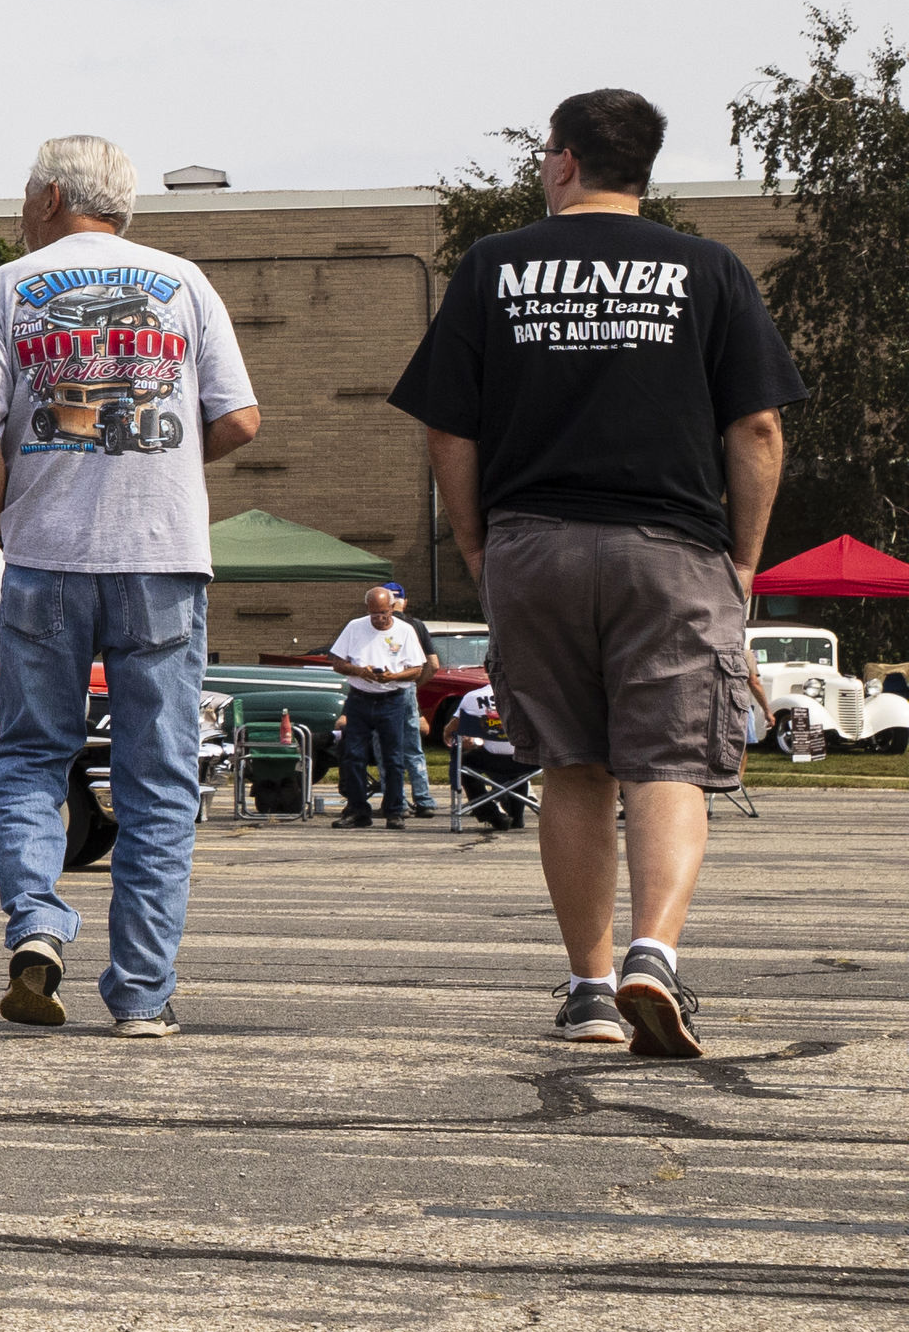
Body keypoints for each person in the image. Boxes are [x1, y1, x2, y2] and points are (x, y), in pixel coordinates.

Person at [392, 89, 798, 1057]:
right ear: (642, 169)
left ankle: (587, 991)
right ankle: (652, 955)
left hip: (534, 541)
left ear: (564, 160)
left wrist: (482, 544)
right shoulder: (708, 269)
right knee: (669, 765)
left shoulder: (494, 266)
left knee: (573, 765)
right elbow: (758, 426)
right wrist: (741, 561)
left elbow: (450, 426)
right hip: (672, 547)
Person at [0, 136, 264, 1035]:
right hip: (163, 558)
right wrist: (159, 459)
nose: (18, 209)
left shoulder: (10, 287)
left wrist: (14, 517)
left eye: (22, 194)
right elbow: (239, 417)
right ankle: (140, 998)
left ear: (51, 197)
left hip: (48, 560)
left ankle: (39, 926)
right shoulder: (186, 282)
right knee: (157, 778)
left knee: (30, 757)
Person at [324, 581, 436, 827]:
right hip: (360, 697)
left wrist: (392, 676)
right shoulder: (355, 628)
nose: (380, 619)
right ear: (368, 610)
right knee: (353, 755)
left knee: (393, 756)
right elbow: (337, 663)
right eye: (375, 614)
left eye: (384, 614)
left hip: (392, 699)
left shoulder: (405, 630)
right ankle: (357, 810)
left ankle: (395, 810)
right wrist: (359, 671)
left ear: (392, 608)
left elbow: (417, 669)